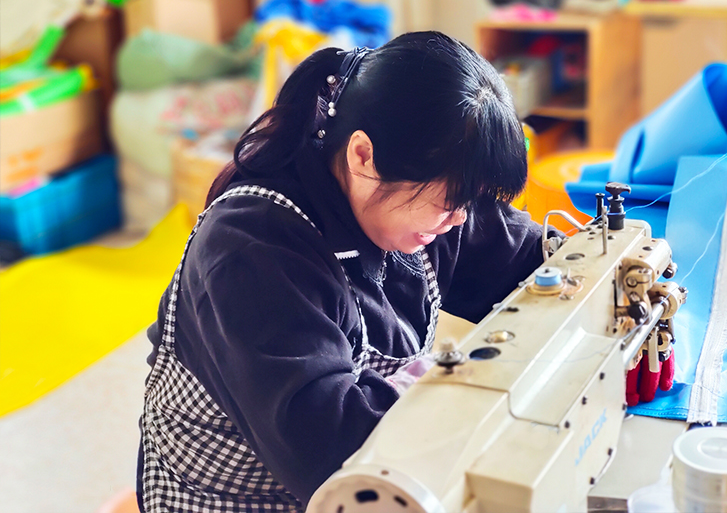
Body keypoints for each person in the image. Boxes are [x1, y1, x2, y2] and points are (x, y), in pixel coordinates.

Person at [137, 31, 556, 512]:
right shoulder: (252, 250)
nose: (461, 219)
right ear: (363, 155)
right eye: (450, 201)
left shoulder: (419, 201)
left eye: (469, 200)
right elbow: (331, 450)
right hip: (239, 499)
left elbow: (530, 260)